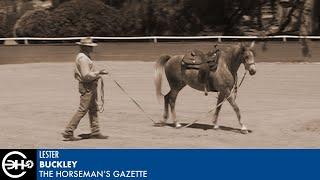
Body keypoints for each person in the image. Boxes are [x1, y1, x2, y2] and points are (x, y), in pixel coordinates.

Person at [62, 37, 109, 141]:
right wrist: (99, 73)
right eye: (89, 47)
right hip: (87, 86)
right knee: (83, 109)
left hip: (89, 85)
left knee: (92, 108)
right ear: (84, 47)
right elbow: (86, 75)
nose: (91, 48)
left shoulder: (83, 56)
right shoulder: (83, 58)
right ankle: (68, 131)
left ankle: (95, 131)